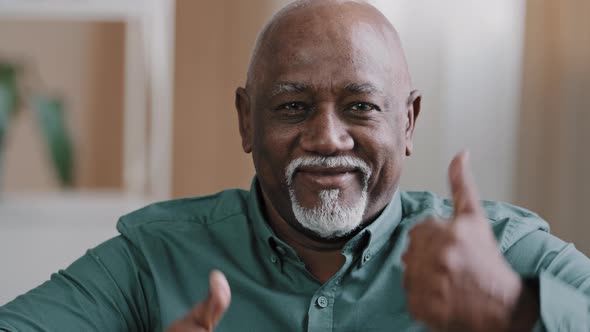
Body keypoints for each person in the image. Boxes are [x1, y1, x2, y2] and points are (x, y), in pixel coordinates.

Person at [1, 0, 589, 331]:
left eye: (360, 106)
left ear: (407, 122)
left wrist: (515, 307)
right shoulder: (155, 258)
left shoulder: (499, 252)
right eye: (292, 106)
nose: (326, 136)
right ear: (245, 121)